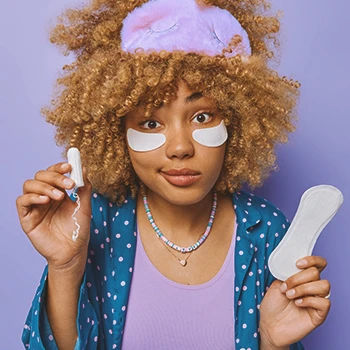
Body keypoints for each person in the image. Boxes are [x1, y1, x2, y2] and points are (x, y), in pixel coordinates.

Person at [17, 0, 331, 349]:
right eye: (150, 123)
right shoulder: (93, 223)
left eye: (202, 117)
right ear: (117, 132)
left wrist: (273, 343)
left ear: (236, 119)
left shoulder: (266, 231)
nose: (180, 147)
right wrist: (65, 267)